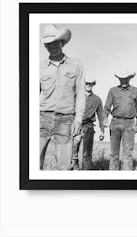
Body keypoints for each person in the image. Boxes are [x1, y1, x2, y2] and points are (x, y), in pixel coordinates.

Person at [40, 24, 85, 170]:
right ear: (45, 46)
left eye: (54, 42)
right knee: (32, 164)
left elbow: (80, 95)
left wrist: (78, 120)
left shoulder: (76, 65)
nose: (51, 46)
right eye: (48, 44)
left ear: (62, 42)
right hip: (41, 118)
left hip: (66, 120)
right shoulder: (38, 67)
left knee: (64, 168)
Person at [104, 72, 137, 170]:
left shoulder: (136, 91)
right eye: (121, 78)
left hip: (130, 124)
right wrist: (104, 119)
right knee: (114, 154)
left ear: (129, 78)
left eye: (126, 78)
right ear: (119, 79)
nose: (124, 80)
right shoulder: (113, 91)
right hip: (115, 123)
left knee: (127, 154)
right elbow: (107, 107)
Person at [72, 77, 105, 170]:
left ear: (93, 85)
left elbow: (101, 116)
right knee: (73, 151)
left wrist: (102, 131)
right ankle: (73, 172)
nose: (88, 85)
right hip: (76, 126)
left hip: (89, 127)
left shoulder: (97, 99)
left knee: (87, 154)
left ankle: (85, 175)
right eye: (86, 83)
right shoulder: (76, 96)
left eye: (90, 84)